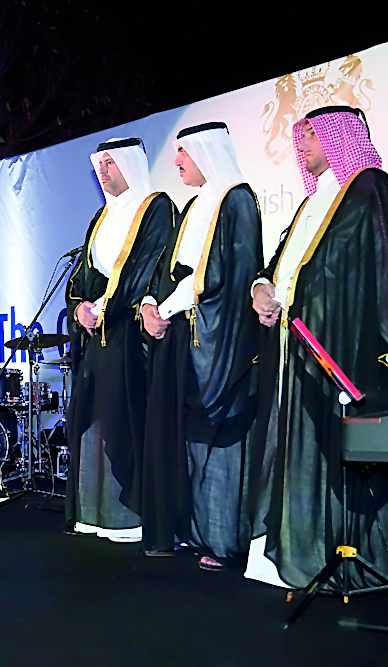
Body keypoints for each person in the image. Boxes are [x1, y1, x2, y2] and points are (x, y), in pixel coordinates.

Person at [245, 106, 388, 588]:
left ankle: (339, 560)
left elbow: (380, 271)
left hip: (343, 350)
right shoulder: (310, 203)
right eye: (300, 136)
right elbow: (278, 266)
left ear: (341, 137)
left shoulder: (368, 187)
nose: (303, 144)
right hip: (295, 350)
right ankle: (288, 553)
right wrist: (261, 289)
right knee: (290, 451)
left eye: (313, 134)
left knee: (330, 456)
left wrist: (387, 349)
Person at [139, 122, 262, 571]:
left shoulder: (238, 200)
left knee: (220, 440)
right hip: (185, 340)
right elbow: (168, 268)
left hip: (220, 340)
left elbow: (227, 275)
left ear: (207, 154)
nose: (176, 162)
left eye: (184, 154)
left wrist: (166, 308)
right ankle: (192, 532)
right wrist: (151, 303)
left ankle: (224, 541)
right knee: (187, 437)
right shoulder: (194, 207)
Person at [64, 137, 175, 542]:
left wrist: (108, 307)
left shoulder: (155, 208)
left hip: (130, 333)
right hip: (97, 334)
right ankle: (94, 513)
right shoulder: (100, 218)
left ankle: (129, 515)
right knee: (90, 420)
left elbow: (149, 269)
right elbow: (82, 275)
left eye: (111, 162)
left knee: (124, 420)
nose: (103, 169)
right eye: (100, 163)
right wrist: (79, 308)